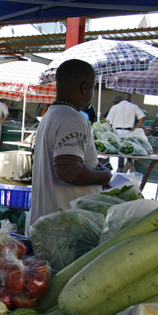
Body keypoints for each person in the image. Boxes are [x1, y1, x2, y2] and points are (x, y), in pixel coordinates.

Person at [25, 59, 112, 232]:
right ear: (85, 87)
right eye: (93, 88)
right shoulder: (73, 118)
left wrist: (93, 169)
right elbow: (68, 170)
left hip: (48, 223)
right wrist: (104, 176)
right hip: (64, 228)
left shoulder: (51, 114)